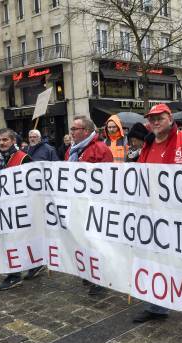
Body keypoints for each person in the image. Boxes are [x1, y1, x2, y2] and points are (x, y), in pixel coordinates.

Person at [133, 103, 182, 323]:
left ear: (170, 118)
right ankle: (156, 306)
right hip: (154, 216)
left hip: (181, 216)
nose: (155, 122)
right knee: (155, 261)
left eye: (159, 118)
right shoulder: (147, 145)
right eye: (151, 118)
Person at [65, 115, 114, 295]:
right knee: (81, 240)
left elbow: (109, 179)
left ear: (85, 131)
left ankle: (101, 278)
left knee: (96, 243)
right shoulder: (72, 151)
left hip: (95, 205)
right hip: (77, 204)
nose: (71, 132)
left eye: (74, 129)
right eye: (71, 129)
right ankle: (88, 271)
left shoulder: (101, 149)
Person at [0, 128, 43, 291]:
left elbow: (34, 183)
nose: (1, 143)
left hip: (22, 206)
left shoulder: (23, 158)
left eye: (5, 140)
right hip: (5, 207)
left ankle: (14, 276)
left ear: (13, 141)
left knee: (15, 241)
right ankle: (36, 263)